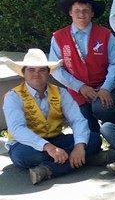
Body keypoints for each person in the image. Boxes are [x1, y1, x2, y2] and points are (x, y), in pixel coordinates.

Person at [49, 0, 115, 161]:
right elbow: (56, 69)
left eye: (85, 10)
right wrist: (79, 87)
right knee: (89, 136)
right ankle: (96, 150)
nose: (81, 14)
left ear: (92, 13)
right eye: (77, 10)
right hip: (77, 91)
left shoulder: (105, 35)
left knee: (100, 107)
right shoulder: (59, 37)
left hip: (103, 86)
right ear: (70, 12)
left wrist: (106, 88)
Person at [1, 49, 90, 185]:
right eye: (31, 69)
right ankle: (86, 159)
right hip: (26, 145)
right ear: (23, 73)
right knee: (24, 156)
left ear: (48, 73)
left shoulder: (60, 92)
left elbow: (77, 119)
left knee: (93, 140)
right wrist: (48, 147)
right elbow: (17, 129)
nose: (36, 74)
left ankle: (47, 170)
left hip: (56, 139)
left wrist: (78, 147)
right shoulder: (13, 96)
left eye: (42, 70)